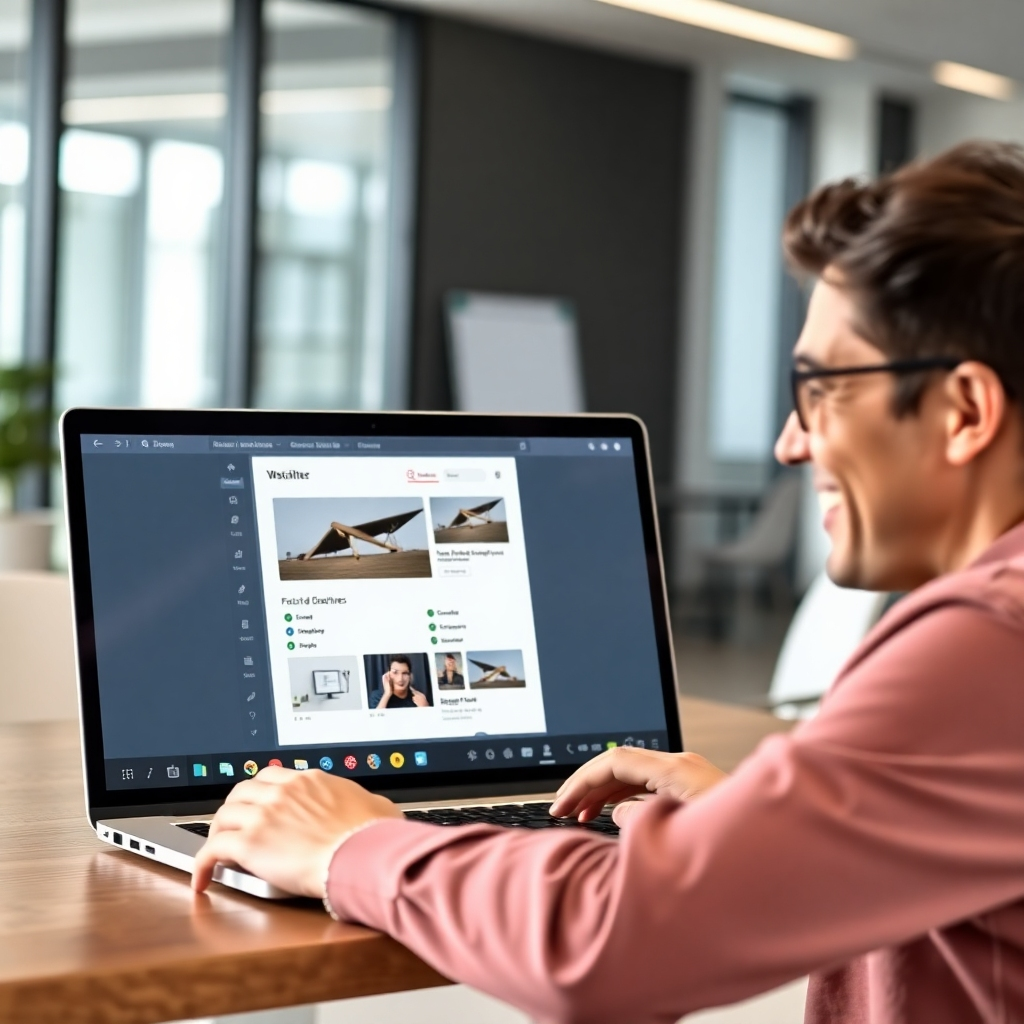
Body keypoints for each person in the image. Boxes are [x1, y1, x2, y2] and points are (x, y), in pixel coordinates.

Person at [193, 141, 1024, 1023]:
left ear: (964, 411)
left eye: (819, 390)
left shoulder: (990, 639)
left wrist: (352, 844)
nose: (791, 442)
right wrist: (757, 832)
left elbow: (609, 940)